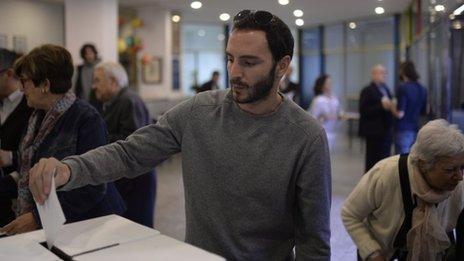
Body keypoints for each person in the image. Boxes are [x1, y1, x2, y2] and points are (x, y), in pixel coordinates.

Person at [28, 10, 331, 260]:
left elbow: (313, 242)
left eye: (249, 62)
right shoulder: (199, 112)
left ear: (283, 65)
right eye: (230, 59)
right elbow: (129, 153)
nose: (234, 72)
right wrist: (69, 169)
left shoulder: (306, 136)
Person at [0, 44, 125, 235]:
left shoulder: (86, 119)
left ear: (45, 85)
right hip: (61, 226)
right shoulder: (36, 118)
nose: (21, 88)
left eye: (25, 81)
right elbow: (27, 171)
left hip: (93, 227)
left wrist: (36, 218)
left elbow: (94, 185)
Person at [342, 119, 464, 261]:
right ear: (423, 164)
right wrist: (372, 252)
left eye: (462, 167)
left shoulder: (457, 186)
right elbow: (350, 214)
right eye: (449, 170)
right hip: (382, 253)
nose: (460, 176)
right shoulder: (385, 174)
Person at [92, 61, 156, 227]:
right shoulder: (113, 101)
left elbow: (134, 143)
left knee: (137, 229)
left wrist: (97, 139)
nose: (93, 86)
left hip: (136, 182)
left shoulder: (129, 101)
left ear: (113, 82)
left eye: (97, 80)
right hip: (125, 180)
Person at [0, 48, 33, 227]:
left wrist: (10, 157)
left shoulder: (32, 106)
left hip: (19, 190)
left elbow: (36, 153)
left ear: (9, 74)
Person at [359, 64, 394, 172]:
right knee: (373, 161)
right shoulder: (367, 90)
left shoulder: (386, 89)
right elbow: (363, 110)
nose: (384, 75)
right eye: (381, 73)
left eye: (385, 73)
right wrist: (380, 106)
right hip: (374, 132)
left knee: (385, 160)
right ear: (374, 74)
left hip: (386, 131)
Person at [392, 61, 427, 154]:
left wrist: (390, 106)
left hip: (403, 130)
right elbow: (424, 111)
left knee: (402, 161)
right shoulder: (422, 89)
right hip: (416, 129)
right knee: (412, 160)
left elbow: (400, 114)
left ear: (402, 72)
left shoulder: (402, 88)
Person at [309, 74, 340, 150]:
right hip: (322, 132)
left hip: (332, 131)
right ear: (322, 85)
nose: (330, 85)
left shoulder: (334, 98)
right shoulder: (319, 100)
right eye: (328, 83)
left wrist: (340, 115)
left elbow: (338, 111)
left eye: (331, 83)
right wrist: (323, 118)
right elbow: (313, 118)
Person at [74, 43, 102, 112]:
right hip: (82, 105)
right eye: (86, 53)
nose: (89, 55)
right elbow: (76, 87)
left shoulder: (100, 68)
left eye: (91, 52)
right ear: (83, 55)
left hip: (97, 105)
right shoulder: (79, 69)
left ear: (95, 53)